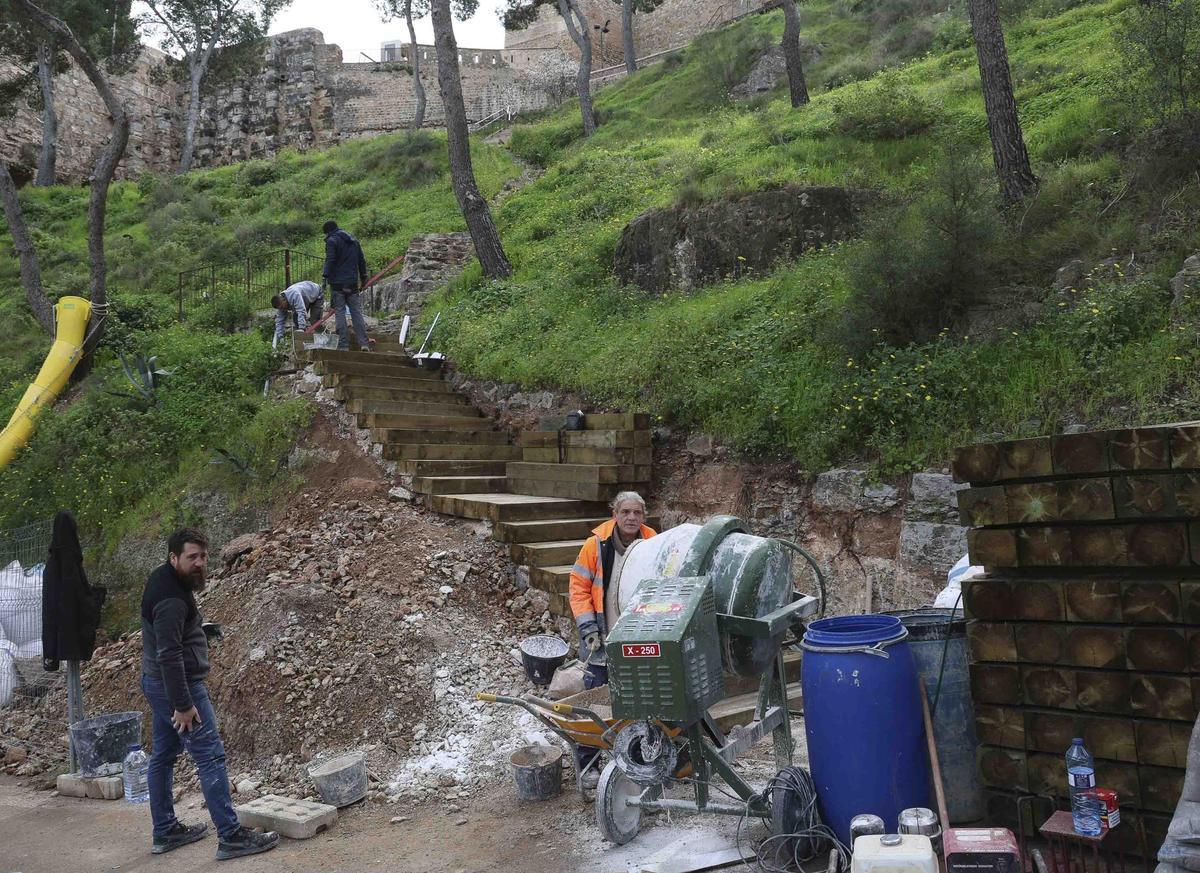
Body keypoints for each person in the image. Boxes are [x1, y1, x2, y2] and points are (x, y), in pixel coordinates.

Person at [140, 528, 279, 860]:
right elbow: (169, 654)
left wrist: (196, 631)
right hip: (178, 685)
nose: (199, 563)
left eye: (203, 557)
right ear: (174, 557)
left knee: (163, 755)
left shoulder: (165, 581)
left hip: (158, 682)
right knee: (210, 756)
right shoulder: (173, 599)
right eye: (192, 557)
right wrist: (184, 705)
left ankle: (165, 830)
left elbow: (167, 637)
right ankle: (230, 836)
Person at [567, 491, 657, 788]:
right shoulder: (596, 545)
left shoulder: (653, 543)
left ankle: (639, 759)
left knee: (640, 701)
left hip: (638, 636)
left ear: (643, 516)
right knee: (595, 703)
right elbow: (579, 588)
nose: (631, 518)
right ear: (614, 514)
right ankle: (589, 764)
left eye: (637, 513)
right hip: (603, 638)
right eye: (626, 512)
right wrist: (589, 628)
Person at [322, 219, 370, 352]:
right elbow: (361, 260)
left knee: (340, 312)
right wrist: (364, 277)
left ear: (328, 232)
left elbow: (330, 259)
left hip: (338, 283)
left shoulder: (332, 241)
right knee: (356, 312)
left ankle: (343, 345)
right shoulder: (354, 240)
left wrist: (325, 276)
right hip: (352, 282)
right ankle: (364, 344)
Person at [270, 279, 324, 345]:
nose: (282, 309)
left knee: (314, 321)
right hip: (305, 298)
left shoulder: (294, 294)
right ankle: (304, 342)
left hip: (316, 293)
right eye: (280, 308)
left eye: (282, 307)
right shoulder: (281, 304)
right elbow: (279, 321)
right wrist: (280, 336)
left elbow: (301, 311)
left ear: (283, 300)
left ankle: (323, 338)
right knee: (296, 319)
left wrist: (301, 328)